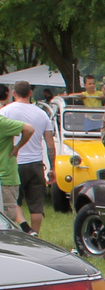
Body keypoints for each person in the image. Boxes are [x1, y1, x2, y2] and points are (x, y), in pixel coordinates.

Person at [2, 80, 55, 235]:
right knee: (36, 204)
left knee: (13, 201)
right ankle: (35, 234)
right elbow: (50, 143)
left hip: (15, 162)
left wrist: (17, 147)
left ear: (13, 93)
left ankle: (24, 227)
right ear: (31, 93)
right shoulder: (42, 113)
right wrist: (52, 167)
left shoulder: (5, 111)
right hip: (36, 163)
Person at [0, 85, 36, 229]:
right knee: (8, 218)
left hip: (6, 173)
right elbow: (29, 129)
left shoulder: (5, 114)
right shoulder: (2, 121)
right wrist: (18, 146)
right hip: (6, 173)